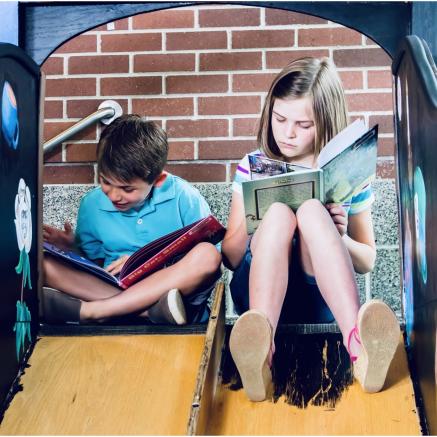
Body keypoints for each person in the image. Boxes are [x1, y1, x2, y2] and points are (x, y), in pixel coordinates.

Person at [221, 57, 400, 401]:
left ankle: (359, 349)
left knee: (312, 211)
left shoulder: (347, 173)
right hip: (258, 294)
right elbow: (229, 257)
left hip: (321, 296)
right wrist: (258, 209)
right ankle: (261, 350)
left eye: (303, 124)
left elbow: (368, 261)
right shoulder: (251, 166)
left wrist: (341, 237)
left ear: (326, 122)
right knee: (277, 215)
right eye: (280, 119)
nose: (288, 133)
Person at [42, 115, 222, 325]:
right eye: (106, 182)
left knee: (208, 254)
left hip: (171, 291)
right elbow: (94, 265)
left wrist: (147, 265)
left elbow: (209, 263)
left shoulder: (184, 196)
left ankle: (93, 311)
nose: (114, 196)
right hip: (115, 289)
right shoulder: (91, 205)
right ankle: (147, 312)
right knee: (44, 263)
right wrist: (72, 248)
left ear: (158, 180)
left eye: (127, 189)